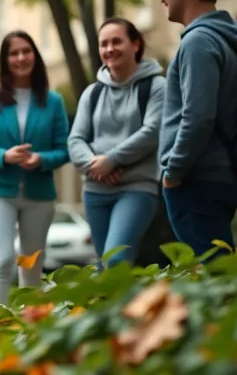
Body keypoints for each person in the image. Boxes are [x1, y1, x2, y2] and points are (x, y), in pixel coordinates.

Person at [158, 0, 237, 258]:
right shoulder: (223, 38)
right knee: (216, 269)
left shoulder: (199, 42)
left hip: (198, 178)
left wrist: (173, 171)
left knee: (214, 275)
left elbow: (198, 117)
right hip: (218, 175)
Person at [0, 31, 70, 311]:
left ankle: (29, 333)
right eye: (13, 53)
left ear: (35, 56)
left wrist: (40, 159)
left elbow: (64, 149)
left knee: (32, 265)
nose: (21, 58)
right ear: (5, 60)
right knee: (0, 260)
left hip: (39, 194)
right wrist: (4, 156)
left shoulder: (53, 101)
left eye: (26, 51)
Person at [68, 18, 167, 267]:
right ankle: (117, 307)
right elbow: (76, 139)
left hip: (136, 188)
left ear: (135, 44)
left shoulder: (156, 87)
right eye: (104, 44)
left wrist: (111, 161)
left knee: (116, 259)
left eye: (116, 41)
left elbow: (152, 132)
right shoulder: (92, 93)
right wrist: (97, 166)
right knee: (105, 264)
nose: (109, 49)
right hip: (95, 189)